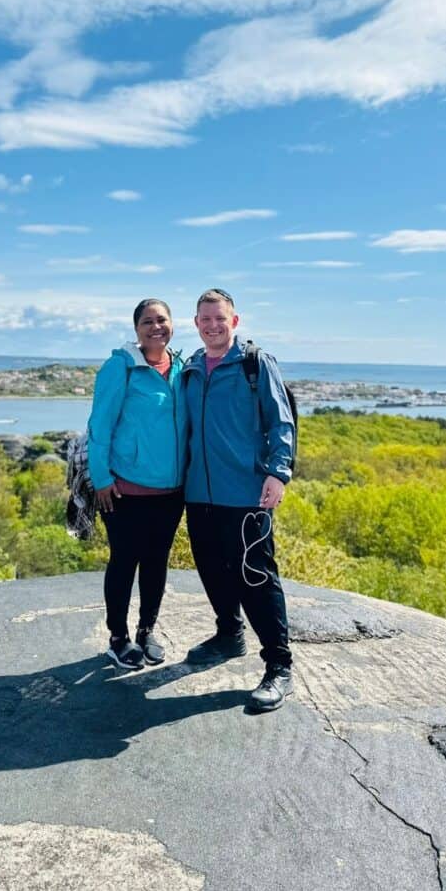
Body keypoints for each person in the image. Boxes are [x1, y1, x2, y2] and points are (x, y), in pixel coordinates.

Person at [182, 288, 295, 712]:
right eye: (205, 319)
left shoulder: (254, 363)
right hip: (199, 493)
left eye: (220, 319)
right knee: (211, 568)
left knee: (256, 577)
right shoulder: (191, 368)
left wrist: (278, 473)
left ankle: (279, 666)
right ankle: (229, 634)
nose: (212, 325)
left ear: (234, 321)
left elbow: (281, 421)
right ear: (196, 324)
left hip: (246, 493)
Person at [87, 299, 186, 670]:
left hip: (171, 492)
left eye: (162, 320)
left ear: (173, 324)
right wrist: (101, 479)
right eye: (147, 321)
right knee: (125, 562)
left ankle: (147, 631)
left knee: (157, 563)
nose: (155, 327)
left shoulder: (180, 368)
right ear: (136, 329)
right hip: (124, 490)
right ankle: (118, 639)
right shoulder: (120, 368)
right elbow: (99, 426)